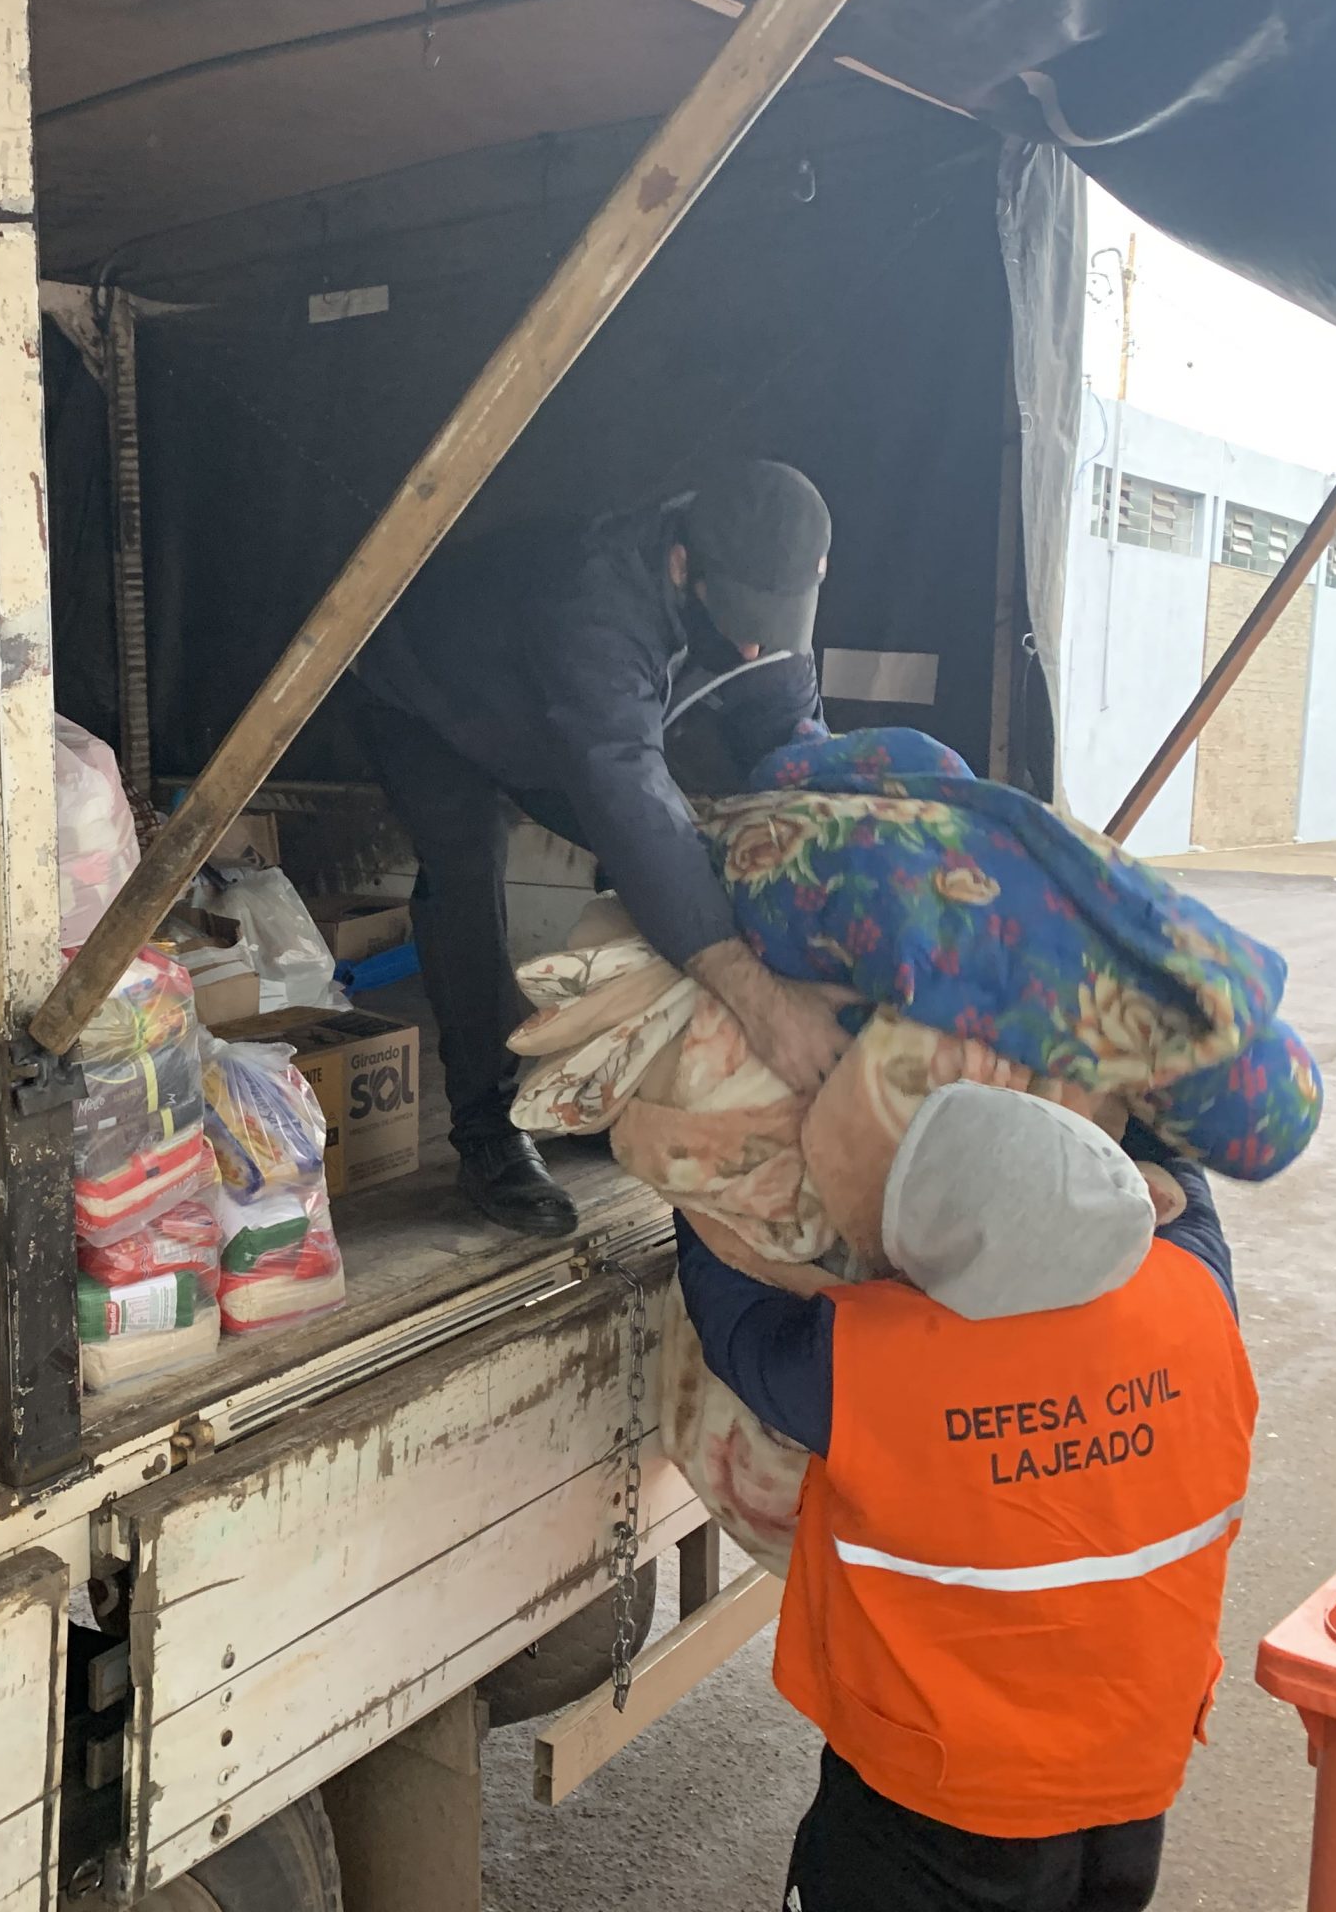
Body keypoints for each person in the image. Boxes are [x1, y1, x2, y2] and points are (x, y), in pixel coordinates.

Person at [676, 1083, 1256, 1912]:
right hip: (1135, 1777)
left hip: (936, 1806)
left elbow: (730, 1311)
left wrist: (684, 1171)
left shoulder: (866, 1366)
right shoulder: (1198, 1295)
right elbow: (1185, 1179)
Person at [353, 459, 854, 1235]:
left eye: (775, 622)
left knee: (694, 854)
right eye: (740, 621)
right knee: (467, 871)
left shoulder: (757, 569)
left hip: (553, 708)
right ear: (683, 567)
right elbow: (629, 801)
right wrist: (761, 1005)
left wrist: (834, 836)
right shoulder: (596, 600)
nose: (755, 645)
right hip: (430, 691)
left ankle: (607, 1080)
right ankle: (487, 1130)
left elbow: (789, 728)